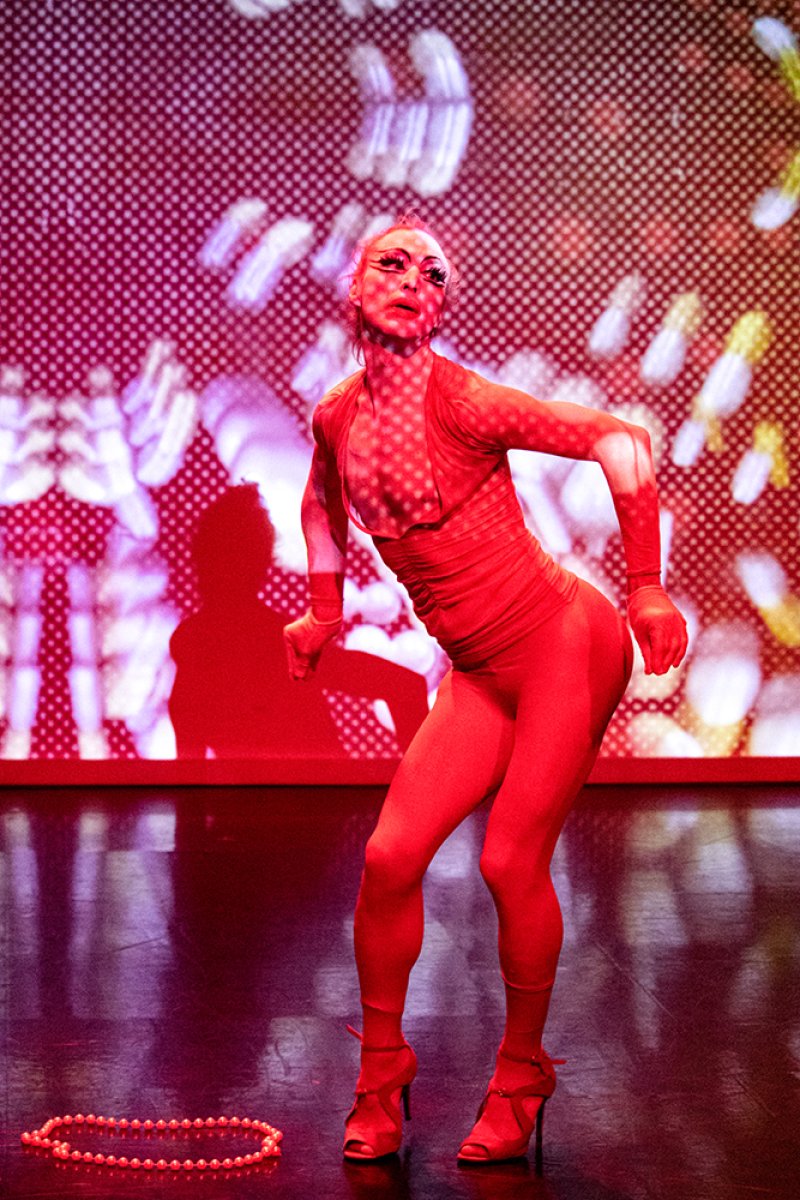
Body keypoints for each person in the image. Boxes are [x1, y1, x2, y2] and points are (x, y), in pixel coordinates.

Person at [283, 214, 688, 1164]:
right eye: (393, 261)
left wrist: (646, 586)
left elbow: (623, 444)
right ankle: (382, 1073)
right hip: (480, 673)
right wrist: (321, 610)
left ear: (443, 306)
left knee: (511, 862)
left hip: (563, 643)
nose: (414, 279)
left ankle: (522, 1073)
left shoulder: (463, 401)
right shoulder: (338, 414)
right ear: (351, 282)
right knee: (389, 859)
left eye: (435, 271)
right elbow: (321, 500)